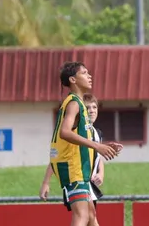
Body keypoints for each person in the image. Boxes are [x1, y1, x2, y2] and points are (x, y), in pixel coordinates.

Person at [48, 62, 120, 226]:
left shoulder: (78, 103)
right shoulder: (74, 103)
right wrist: (97, 146)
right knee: (82, 215)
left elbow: (77, 137)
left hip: (79, 168)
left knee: (90, 215)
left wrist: (104, 145)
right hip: (73, 168)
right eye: (85, 73)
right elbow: (64, 132)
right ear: (73, 79)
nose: (90, 76)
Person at [40, 93, 107, 226]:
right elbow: (57, 156)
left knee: (91, 216)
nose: (92, 110)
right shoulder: (76, 131)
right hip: (76, 176)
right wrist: (46, 182)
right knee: (85, 216)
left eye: (95, 107)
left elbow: (96, 156)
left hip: (88, 180)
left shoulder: (96, 133)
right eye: (88, 108)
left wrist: (100, 172)